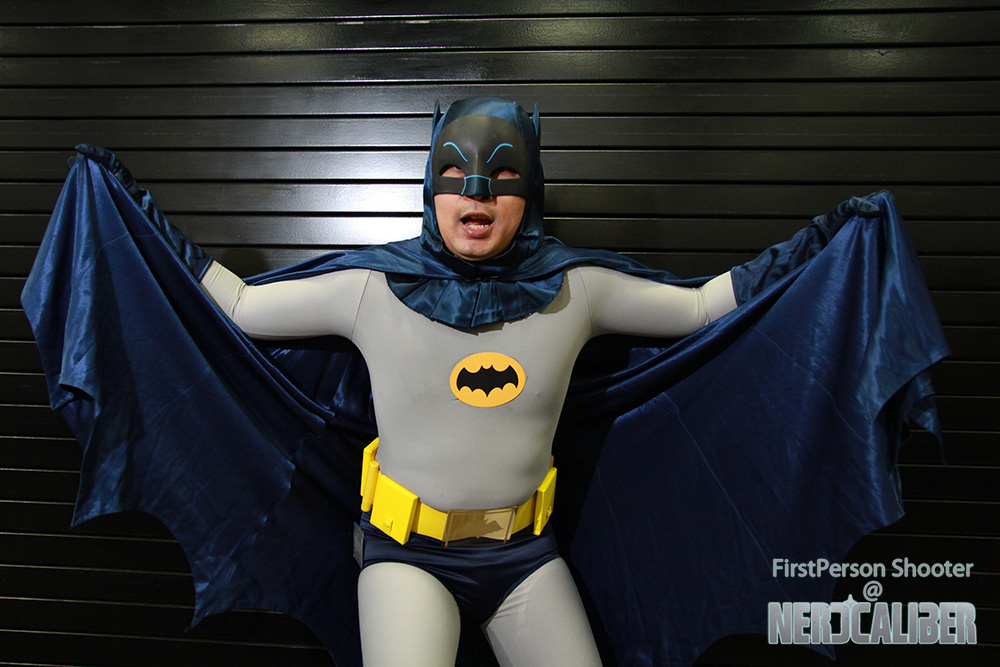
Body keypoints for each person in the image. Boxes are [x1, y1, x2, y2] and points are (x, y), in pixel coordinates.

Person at [27, 97, 947, 667]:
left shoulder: (579, 288)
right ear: (428, 187)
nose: (476, 194)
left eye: (502, 176)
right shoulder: (370, 286)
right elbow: (234, 306)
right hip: (404, 558)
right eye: (455, 173)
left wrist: (830, 241)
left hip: (526, 558)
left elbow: (705, 307)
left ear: (530, 190)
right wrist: (122, 204)